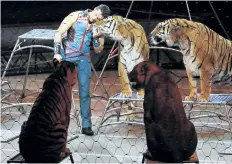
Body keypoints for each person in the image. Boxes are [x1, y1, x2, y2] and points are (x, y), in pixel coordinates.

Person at [53, 4, 111, 136]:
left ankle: (86, 125)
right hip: (67, 55)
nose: (95, 19)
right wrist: (57, 53)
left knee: (84, 92)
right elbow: (59, 32)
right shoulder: (76, 16)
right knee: (62, 91)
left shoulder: (99, 26)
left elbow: (98, 50)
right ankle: (58, 122)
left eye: (99, 18)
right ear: (94, 10)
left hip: (84, 59)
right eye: (96, 15)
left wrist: (97, 37)